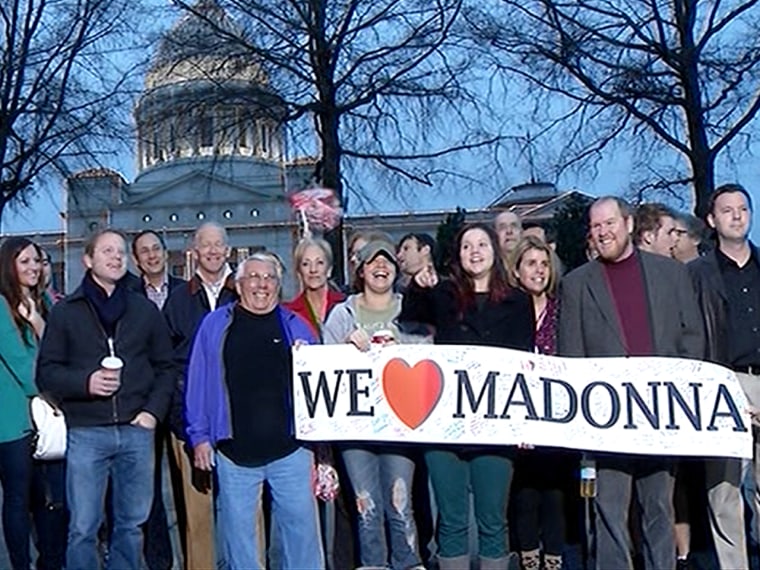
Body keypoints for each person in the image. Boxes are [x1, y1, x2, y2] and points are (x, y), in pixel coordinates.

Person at [558, 197, 704, 570]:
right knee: (608, 510)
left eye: (609, 223)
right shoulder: (576, 285)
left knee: (658, 507)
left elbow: (692, 337)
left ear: (627, 223)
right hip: (605, 421)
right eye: (595, 226)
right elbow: (570, 359)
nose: (602, 232)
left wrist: (679, 393)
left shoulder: (670, 274)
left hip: (660, 413)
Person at [36, 228, 175, 570]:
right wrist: (86, 383)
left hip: (136, 430)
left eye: (120, 252)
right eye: (107, 251)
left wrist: (152, 414)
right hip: (87, 432)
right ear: (88, 260)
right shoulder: (67, 312)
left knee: (131, 525)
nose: (116, 257)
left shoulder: (144, 311)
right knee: (83, 527)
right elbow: (47, 373)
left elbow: (166, 367)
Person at [400, 223, 535, 570]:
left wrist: (523, 424)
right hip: (446, 425)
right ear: (458, 255)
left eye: (481, 244)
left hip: (496, 426)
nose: (474, 251)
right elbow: (411, 316)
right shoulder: (443, 295)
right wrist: (417, 285)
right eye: (466, 246)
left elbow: (524, 363)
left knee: (492, 521)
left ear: (494, 250)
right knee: (451, 520)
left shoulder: (518, 301)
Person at [185, 252, 324, 569]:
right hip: (235, 455)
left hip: (291, 450)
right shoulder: (214, 325)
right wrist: (200, 437)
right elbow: (198, 383)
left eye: (270, 278)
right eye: (254, 277)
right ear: (238, 283)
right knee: (240, 546)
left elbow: (323, 387)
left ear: (279, 284)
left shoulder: (298, 327)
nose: (262, 285)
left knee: (302, 542)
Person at [323, 237, 424, 570]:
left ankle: (408, 564)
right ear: (361, 271)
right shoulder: (342, 313)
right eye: (372, 262)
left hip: (400, 426)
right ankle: (374, 565)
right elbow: (323, 365)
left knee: (400, 504)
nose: (380, 267)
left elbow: (431, 355)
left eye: (387, 262)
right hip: (356, 428)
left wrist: (403, 345)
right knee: (366, 506)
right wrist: (343, 347)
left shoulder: (411, 306)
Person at [688, 183, 760, 570]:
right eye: (728, 210)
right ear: (713, 220)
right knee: (725, 489)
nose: (737, 215)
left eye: (743, 208)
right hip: (725, 383)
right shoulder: (697, 274)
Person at [162, 221, 237, 569]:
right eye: (205, 244)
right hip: (191, 422)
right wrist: (181, 420)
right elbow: (167, 363)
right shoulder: (179, 300)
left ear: (228, 249)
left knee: (243, 512)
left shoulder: (246, 292)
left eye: (218, 244)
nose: (212, 250)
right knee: (198, 516)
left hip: (239, 419)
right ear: (194, 250)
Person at [508, 236, 569, 570]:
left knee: (555, 493)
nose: (539, 270)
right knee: (525, 492)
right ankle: (529, 556)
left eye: (544, 264)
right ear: (517, 270)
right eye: (531, 263)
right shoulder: (507, 310)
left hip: (556, 416)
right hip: (517, 416)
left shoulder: (562, 309)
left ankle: (555, 558)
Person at [130, 229, 184, 570]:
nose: (151, 256)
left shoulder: (185, 291)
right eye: (144, 252)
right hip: (144, 400)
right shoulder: (127, 295)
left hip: (180, 399)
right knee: (146, 487)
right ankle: (159, 560)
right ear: (136, 260)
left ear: (166, 252)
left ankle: (197, 557)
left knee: (188, 484)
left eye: (156, 249)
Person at [0, 237, 46, 570]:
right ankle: (20, 564)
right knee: (18, 498)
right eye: (24, 261)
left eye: (36, 261)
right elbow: (22, 364)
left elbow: (59, 346)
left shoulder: (41, 302)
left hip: (40, 417)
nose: (33, 267)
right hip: (11, 418)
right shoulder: (1, 306)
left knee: (42, 499)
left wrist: (37, 321)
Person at [285, 237, 345, 340]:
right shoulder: (289, 313)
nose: (313, 269)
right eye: (306, 264)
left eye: (320, 263)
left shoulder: (346, 305)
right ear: (299, 272)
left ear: (329, 269)